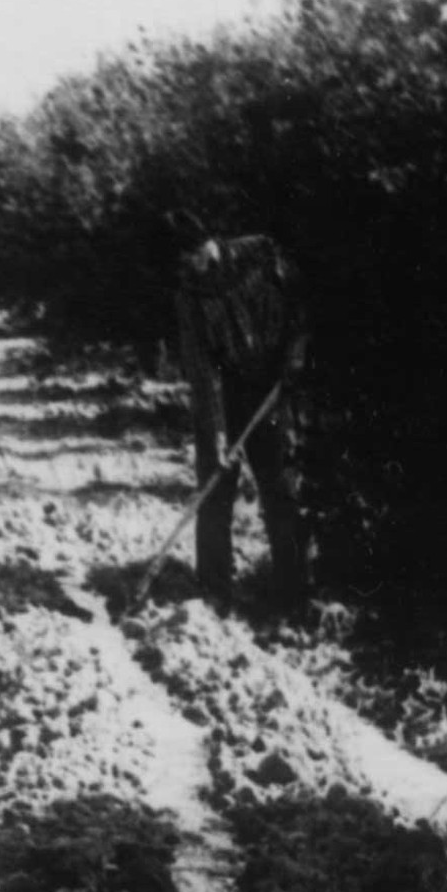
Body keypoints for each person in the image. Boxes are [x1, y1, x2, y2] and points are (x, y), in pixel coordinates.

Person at [169, 218, 310, 611]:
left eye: (197, 254)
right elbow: (202, 370)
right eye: (185, 260)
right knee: (214, 484)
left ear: (212, 240)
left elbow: (300, 305)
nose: (195, 265)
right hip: (227, 387)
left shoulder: (263, 255)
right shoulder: (189, 295)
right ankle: (214, 590)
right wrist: (215, 435)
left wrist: (295, 356)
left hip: (275, 380)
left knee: (279, 485)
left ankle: (293, 590)